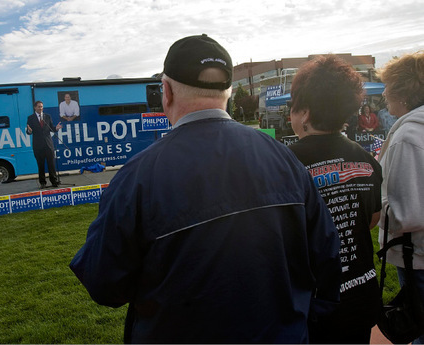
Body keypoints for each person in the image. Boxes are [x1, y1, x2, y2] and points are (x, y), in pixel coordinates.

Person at [70, 34, 341, 343]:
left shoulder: (137, 177)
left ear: (167, 92)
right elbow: (327, 258)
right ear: (228, 92)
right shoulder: (283, 157)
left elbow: (104, 284)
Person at [288, 55, 382, 344]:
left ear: (303, 112)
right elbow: (372, 221)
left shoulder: (285, 164)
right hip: (361, 297)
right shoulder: (366, 160)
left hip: (313, 305)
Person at [377, 51, 424, 344]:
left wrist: (370, 206)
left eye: (387, 87)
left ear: (402, 92)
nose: (383, 94)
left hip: (417, 258)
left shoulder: (408, 136)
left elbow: (406, 215)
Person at [26, 101, 62, 187]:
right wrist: (29, 131)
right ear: (35, 107)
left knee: (51, 164)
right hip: (38, 145)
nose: (40, 108)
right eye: (39, 107)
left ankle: (54, 181)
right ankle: (42, 183)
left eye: (42, 106)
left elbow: (51, 128)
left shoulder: (47, 117)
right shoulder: (30, 118)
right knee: (41, 165)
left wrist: (56, 128)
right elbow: (28, 131)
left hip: (48, 144)